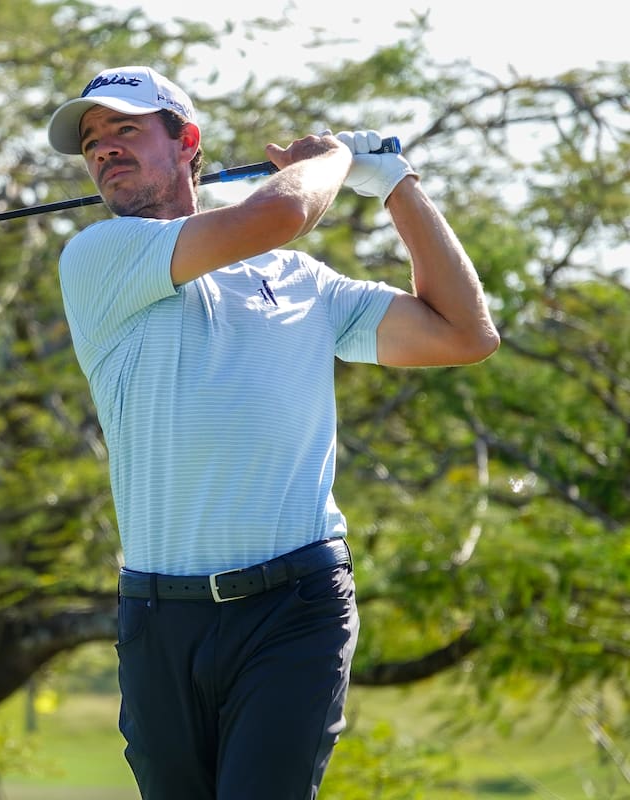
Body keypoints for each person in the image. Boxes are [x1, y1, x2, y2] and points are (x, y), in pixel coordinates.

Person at [46, 65, 499, 799]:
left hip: (294, 609)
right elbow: (276, 214)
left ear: (186, 141)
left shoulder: (301, 282)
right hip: (159, 621)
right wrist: (334, 162)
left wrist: (396, 185)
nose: (104, 151)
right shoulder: (100, 258)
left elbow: (464, 334)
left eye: (125, 130)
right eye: (92, 142)